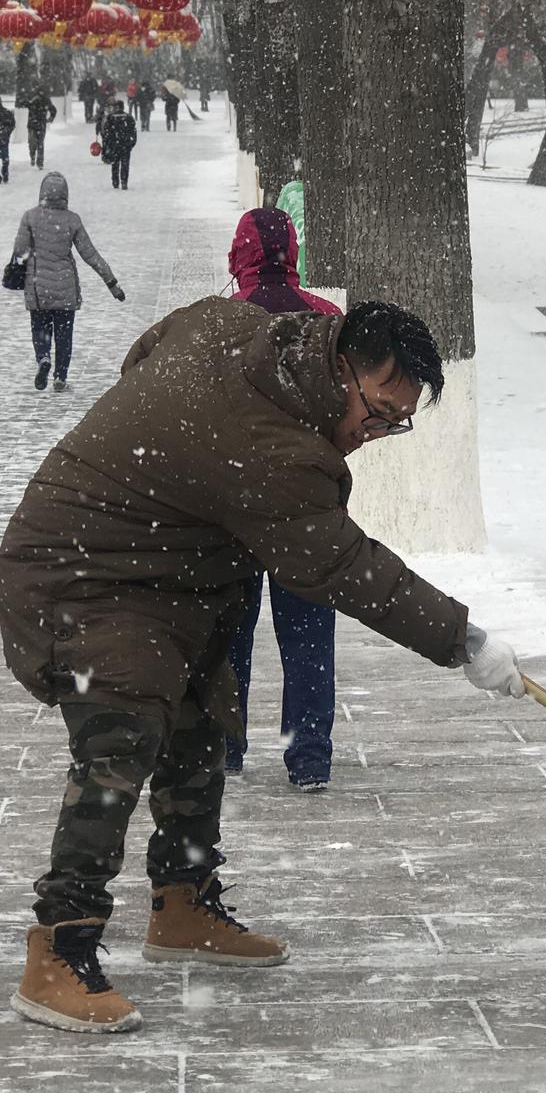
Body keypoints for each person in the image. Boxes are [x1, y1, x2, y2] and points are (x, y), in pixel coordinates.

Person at [0, 299, 527, 1034]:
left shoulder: (237, 326)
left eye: (394, 424)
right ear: (341, 366)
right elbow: (339, 563)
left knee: (201, 719)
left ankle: (182, 903)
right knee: (122, 738)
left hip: (168, 568)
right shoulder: (269, 446)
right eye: (376, 413)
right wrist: (463, 641)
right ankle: (60, 948)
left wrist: (172, 472)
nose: (374, 436)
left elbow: (150, 351)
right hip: (79, 570)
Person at [221, 209, 342, 790]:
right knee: (309, 640)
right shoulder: (326, 322)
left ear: (237, 255)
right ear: (294, 251)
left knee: (226, 633)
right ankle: (308, 755)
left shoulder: (218, 324)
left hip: (230, 510)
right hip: (307, 511)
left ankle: (224, 746)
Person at [9, 172, 125, 394]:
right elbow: (90, 254)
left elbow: (20, 251)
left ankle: (43, 358)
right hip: (65, 288)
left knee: (40, 329)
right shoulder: (72, 220)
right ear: (65, 195)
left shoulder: (30, 217)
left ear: (42, 193)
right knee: (64, 336)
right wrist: (111, 282)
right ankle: (60, 377)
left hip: (38, 287)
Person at [99, 99, 138, 191]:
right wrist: (131, 143)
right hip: (126, 145)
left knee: (115, 164)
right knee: (125, 164)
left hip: (114, 145)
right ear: (123, 107)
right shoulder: (129, 118)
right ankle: (124, 182)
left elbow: (106, 132)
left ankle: (115, 181)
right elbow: (133, 132)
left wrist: (108, 143)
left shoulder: (111, 117)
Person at [23, 86, 57, 170]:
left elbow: (53, 110)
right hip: (32, 125)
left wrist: (51, 118)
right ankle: (32, 156)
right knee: (32, 143)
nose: (41, 94)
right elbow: (24, 104)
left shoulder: (46, 101)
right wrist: (29, 101)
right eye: (39, 92)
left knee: (40, 144)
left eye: (42, 92)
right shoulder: (33, 99)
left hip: (41, 125)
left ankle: (40, 162)